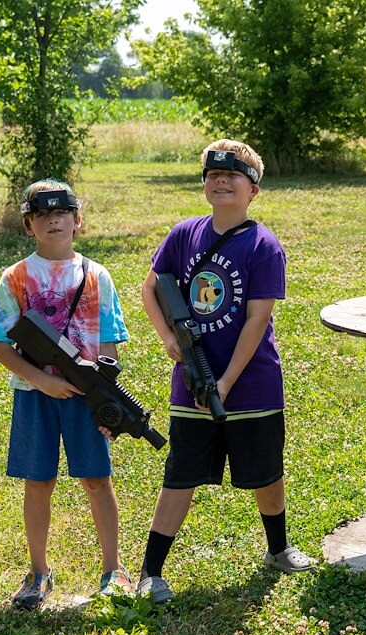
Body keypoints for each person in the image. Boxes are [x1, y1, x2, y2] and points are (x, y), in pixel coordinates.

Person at [136, 139, 316, 603]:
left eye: (233, 175)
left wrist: (227, 381)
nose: (221, 181)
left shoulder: (263, 246)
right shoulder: (183, 235)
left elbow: (257, 320)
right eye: (213, 175)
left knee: (266, 471)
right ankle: (151, 573)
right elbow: (151, 288)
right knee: (180, 473)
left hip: (252, 382)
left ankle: (277, 548)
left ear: (253, 190)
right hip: (192, 381)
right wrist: (168, 338)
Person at [0, 179, 133, 609]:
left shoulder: (97, 276)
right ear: (28, 225)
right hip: (34, 396)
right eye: (43, 215)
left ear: (77, 220)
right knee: (38, 482)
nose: (54, 221)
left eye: (62, 213)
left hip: (86, 399)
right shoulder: (15, 277)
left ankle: (113, 569)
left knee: (97, 480)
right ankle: (38, 572)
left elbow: (108, 344)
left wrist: (106, 398)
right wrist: (42, 380)